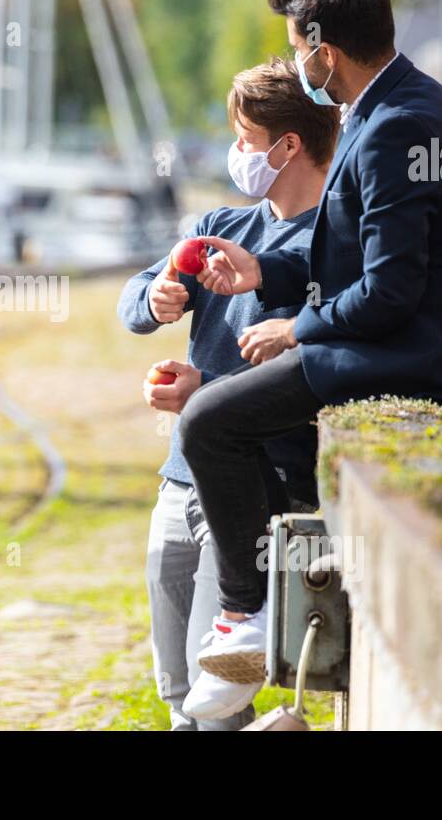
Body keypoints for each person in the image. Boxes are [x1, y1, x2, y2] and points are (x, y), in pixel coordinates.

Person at [172, 0, 442, 711]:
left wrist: (298, 329)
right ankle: (277, 633)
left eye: (299, 48)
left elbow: (391, 292)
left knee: (210, 420)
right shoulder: (396, 108)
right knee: (250, 420)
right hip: (413, 339)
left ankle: (248, 614)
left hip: (424, 355)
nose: (298, 64)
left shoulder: (399, 127)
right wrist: (264, 274)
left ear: (325, 49)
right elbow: (361, 260)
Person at [119, 58, 339, 728]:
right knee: (177, 691)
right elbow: (130, 303)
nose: (235, 153)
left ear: (288, 146)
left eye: (245, 139)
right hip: (178, 483)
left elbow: (316, 377)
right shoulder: (222, 225)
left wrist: (202, 390)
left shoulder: (336, 248)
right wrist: (155, 300)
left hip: (254, 497)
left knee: (210, 693)